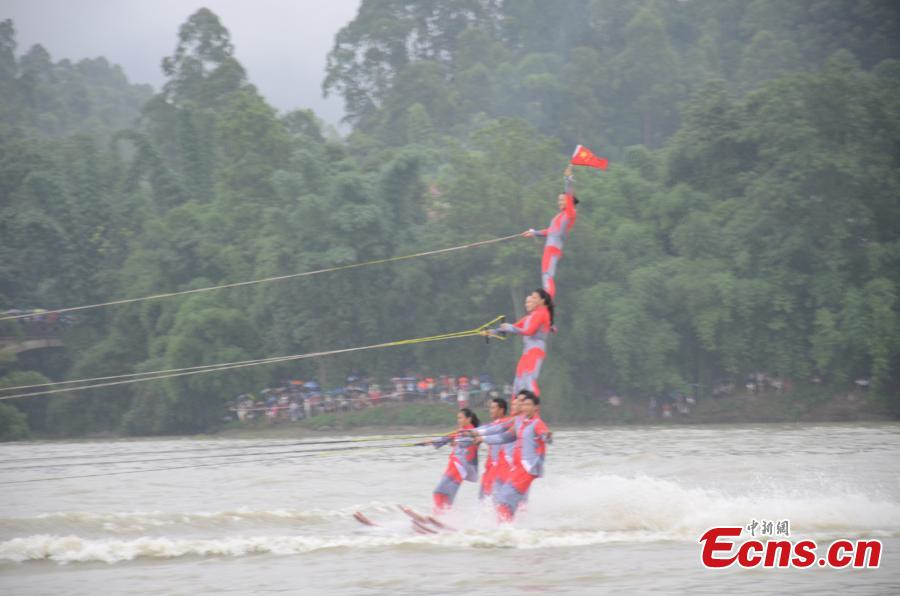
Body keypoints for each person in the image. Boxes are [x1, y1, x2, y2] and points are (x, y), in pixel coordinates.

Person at [478, 391, 550, 522]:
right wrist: (480, 437)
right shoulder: (521, 422)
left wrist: (546, 436)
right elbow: (505, 435)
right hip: (516, 469)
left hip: (527, 468)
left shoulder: (536, 423)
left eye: (527, 404)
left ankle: (507, 528)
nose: (523, 406)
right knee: (502, 501)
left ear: (536, 408)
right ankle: (506, 528)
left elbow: (544, 434)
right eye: (522, 404)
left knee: (504, 500)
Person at [523, 165, 578, 299]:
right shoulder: (557, 217)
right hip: (550, 248)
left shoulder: (570, 214)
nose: (559, 202)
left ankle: (547, 302)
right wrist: (534, 232)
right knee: (545, 275)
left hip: (553, 249)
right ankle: (547, 299)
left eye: (562, 199)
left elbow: (570, 196)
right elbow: (550, 231)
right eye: (558, 199)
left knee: (547, 275)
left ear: (568, 202)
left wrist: (568, 179)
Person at [488, 289, 554, 398]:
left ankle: (534, 410)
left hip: (535, 350)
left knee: (529, 379)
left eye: (531, 301)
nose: (527, 304)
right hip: (527, 352)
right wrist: (493, 331)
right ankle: (516, 412)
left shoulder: (541, 313)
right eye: (526, 302)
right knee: (518, 382)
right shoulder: (528, 318)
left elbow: (529, 331)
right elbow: (512, 327)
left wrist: (511, 328)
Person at [423, 408, 481, 513]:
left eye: (460, 418)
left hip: (460, 466)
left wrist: (456, 441)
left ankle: (440, 516)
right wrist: (430, 442)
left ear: (469, 419)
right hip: (454, 465)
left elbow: (468, 441)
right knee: (446, 494)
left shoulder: (471, 431)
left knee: (439, 491)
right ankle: (443, 517)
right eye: (458, 418)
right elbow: (446, 438)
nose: (458, 420)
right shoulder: (461, 431)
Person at [479, 397, 509, 500]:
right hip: (490, 467)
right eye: (490, 408)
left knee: (493, 497)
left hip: (501, 467)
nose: (490, 410)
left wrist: (478, 435)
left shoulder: (506, 424)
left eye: (493, 408)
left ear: (501, 410)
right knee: (482, 496)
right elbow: (477, 431)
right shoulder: (492, 425)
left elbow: (484, 432)